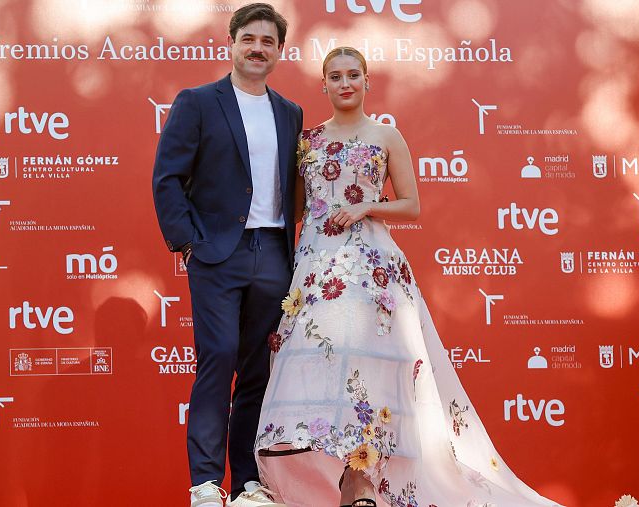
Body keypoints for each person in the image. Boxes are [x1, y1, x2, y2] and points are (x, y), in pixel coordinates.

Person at [254, 47, 562, 507]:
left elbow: (411, 206)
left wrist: (365, 206)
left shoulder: (386, 136)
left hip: (373, 268)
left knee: (372, 371)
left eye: (353, 74)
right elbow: (295, 210)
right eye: (335, 76)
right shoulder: (309, 140)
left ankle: (361, 480)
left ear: (367, 80)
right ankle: (345, 475)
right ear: (323, 84)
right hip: (317, 270)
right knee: (326, 368)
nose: (345, 83)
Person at [152, 3, 301, 506]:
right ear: (232, 43)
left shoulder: (290, 112)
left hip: (275, 253)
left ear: (279, 51)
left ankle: (248, 485)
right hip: (219, 253)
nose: (258, 48)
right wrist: (188, 240)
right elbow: (167, 178)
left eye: (268, 41)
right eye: (249, 39)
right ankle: (205, 484)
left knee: (257, 370)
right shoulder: (196, 102)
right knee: (217, 360)